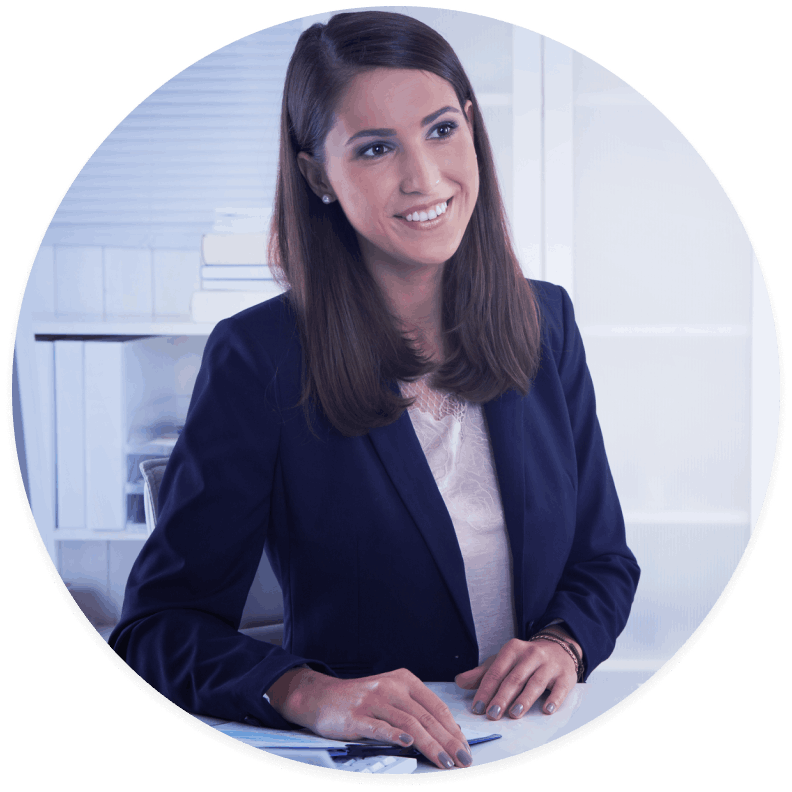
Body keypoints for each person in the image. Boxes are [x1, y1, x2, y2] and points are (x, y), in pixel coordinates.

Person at [109, 11, 639, 772]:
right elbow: (158, 626)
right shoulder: (260, 357)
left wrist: (564, 642)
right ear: (318, 176)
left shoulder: (545, 321)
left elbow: (602, 560)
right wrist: (304, 691)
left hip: (536, 742)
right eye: (375, 148)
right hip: (373, 763)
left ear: (472, 126)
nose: (423, 177)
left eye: (441, 130)